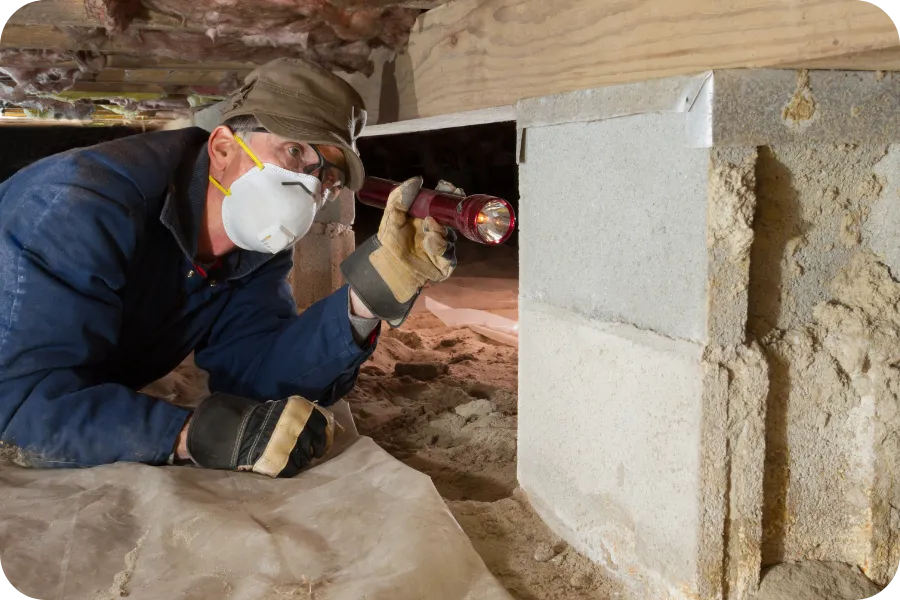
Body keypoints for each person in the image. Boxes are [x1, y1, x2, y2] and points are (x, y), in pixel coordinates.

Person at [0, 58, 456, 478]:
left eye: (327, 176)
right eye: (295, 151)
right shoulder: (77, 207)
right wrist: (191, 434)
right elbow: (22, 406)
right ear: (222, 147)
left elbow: (256, 373)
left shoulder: (253, 249)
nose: (309, 185)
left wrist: (366, 298)